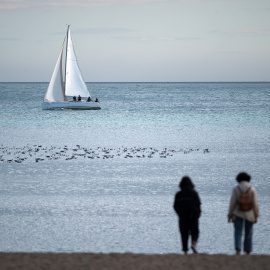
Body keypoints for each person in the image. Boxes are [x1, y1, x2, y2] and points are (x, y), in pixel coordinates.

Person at [228, 172, 259, 255]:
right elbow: (255, 204)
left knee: (238, 231)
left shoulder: (236, 189)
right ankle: (248, 250)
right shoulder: (252, 189)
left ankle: (238, 249)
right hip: (250, 213)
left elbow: (232, 203)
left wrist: (229, 215)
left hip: (238, 212)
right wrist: (256, 215)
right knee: (249, 231)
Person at [173, 176, 201, 254]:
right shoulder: (194, 193)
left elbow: (175, 206)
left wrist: (179, 214)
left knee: (184, 234)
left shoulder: (178, 194)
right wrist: (198, 213)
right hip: (193, 216)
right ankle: (193, 244)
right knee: (195, 232)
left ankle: (185, 251)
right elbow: (198, 204)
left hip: (182, 217)